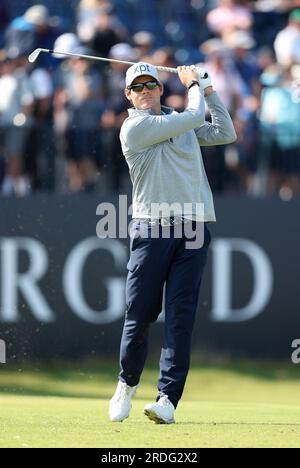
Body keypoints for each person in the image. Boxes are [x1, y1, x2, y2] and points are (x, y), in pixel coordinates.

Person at [109, 62, 236, 424]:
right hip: (152, 230)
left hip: (193, 229)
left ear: (160, 89)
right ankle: (127, 383)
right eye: (138, 86)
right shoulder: (134, 127)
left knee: (180, 318)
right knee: (140, 313)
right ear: (129, 95)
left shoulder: (184, 122)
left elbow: (225, 132)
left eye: (152, 84)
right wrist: (195, 84)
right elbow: (194, 115)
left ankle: (167, 399)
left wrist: (209, 90)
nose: (146, 90)